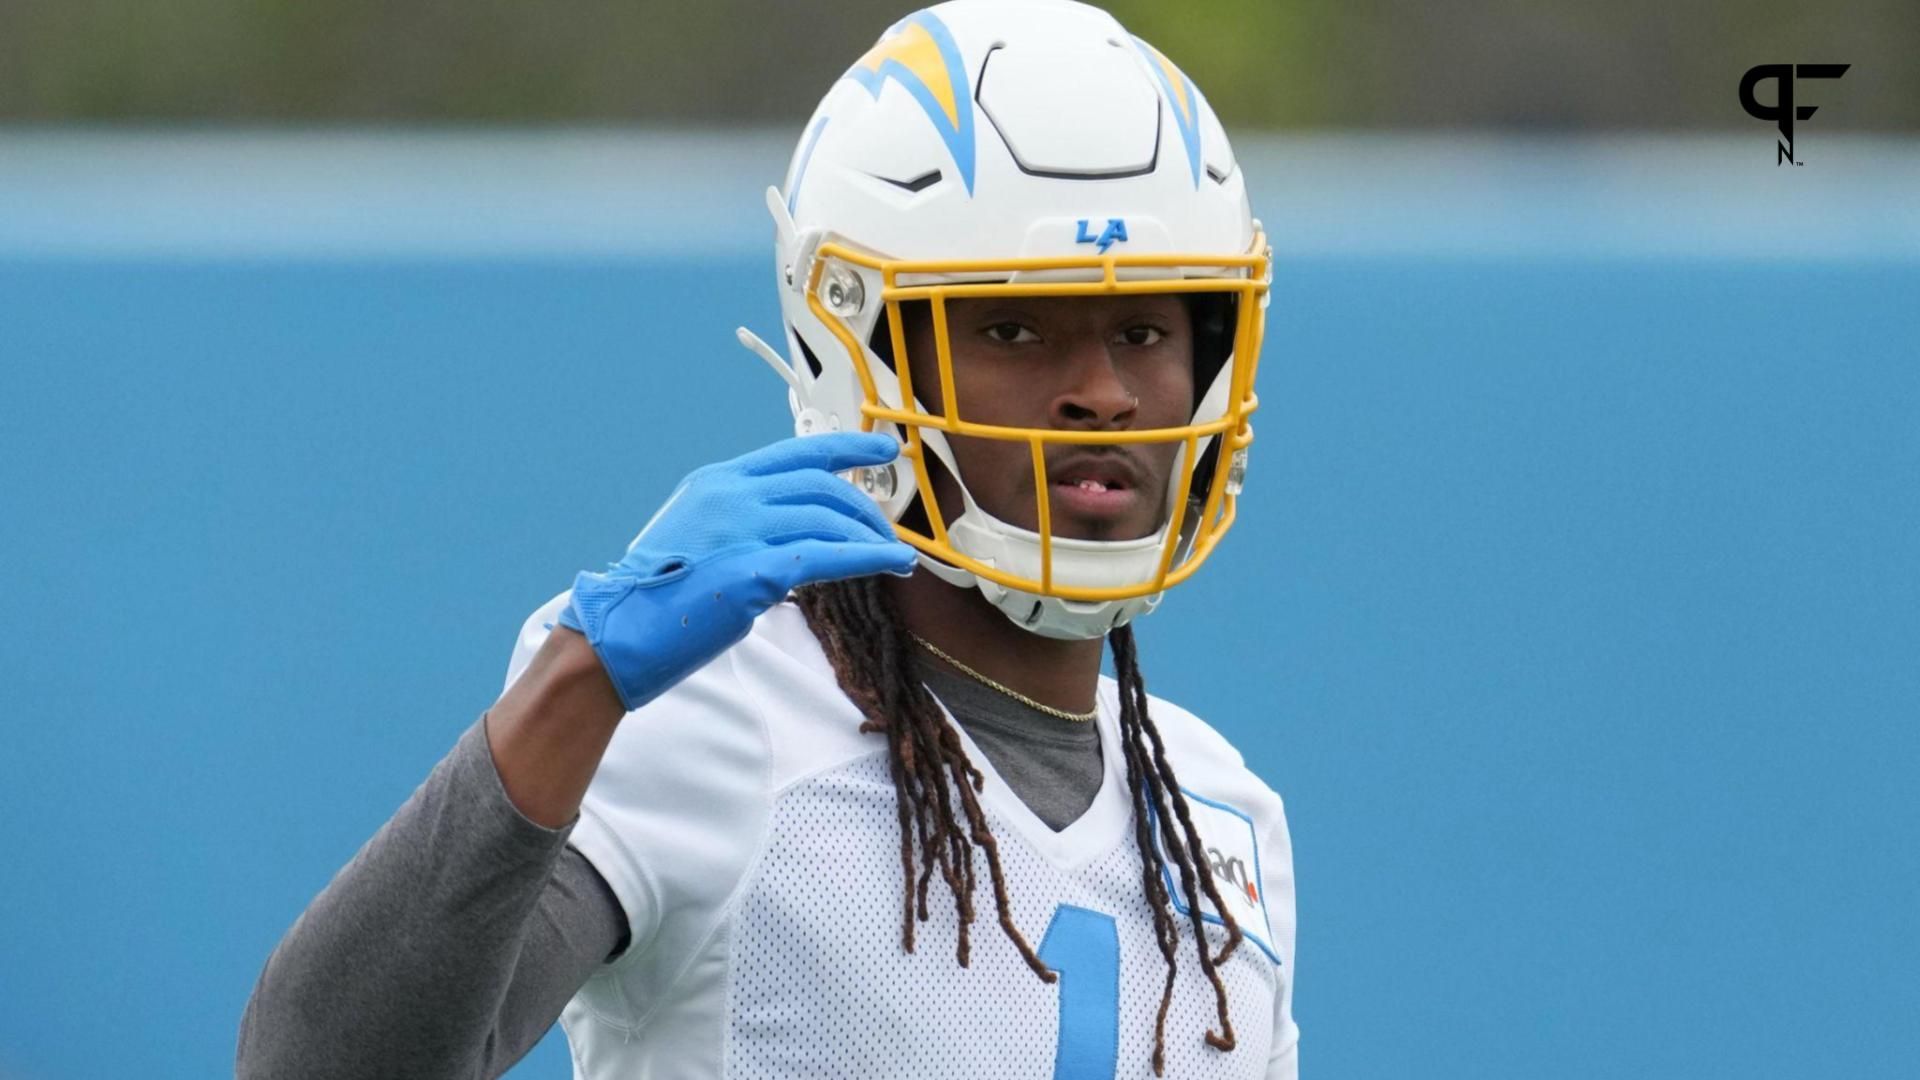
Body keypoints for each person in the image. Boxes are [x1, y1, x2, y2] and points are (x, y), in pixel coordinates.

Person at [237, 0, 1297, 1076]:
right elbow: (316, 1065)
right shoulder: (715, 713)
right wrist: (577, 685)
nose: (1103, 395)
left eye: (1145, 330)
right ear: (865, 357)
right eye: (1012, 328)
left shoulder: (1224, 817)